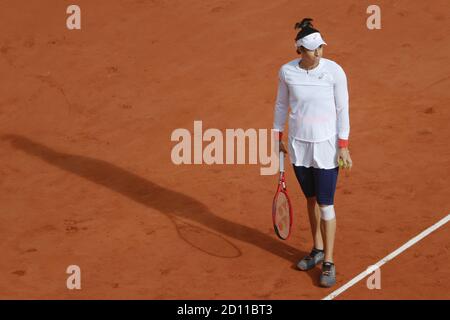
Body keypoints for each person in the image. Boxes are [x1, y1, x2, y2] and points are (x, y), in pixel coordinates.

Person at [273, 18, 353, 287]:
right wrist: (277, 136)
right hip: (299, 146)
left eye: (320, 47)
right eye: (312, 48)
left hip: (327, 147)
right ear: (299, 49)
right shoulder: (286, 72)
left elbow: (343, 109)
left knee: (325, 203)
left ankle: (328, 261)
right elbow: (281, 105)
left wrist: (343, 146)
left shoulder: (335, 72)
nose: (318, 52)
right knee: (310, 198)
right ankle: (317, 249)